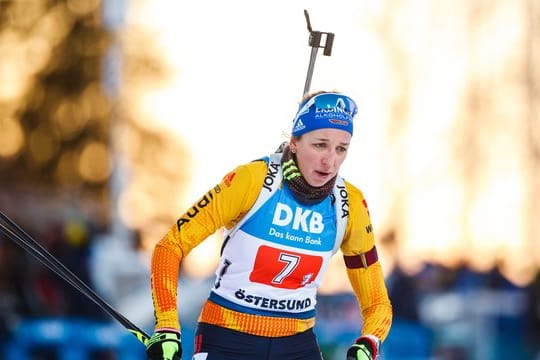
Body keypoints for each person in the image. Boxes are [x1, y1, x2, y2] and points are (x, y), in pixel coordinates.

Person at [145, 91, 393, 360]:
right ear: (294, 142)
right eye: (320, 145)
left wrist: (368, 343)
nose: (330, 160)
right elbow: (170, 246)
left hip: (296, 345)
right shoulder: (252, 181)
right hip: (228, 338)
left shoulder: (349, 204)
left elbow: (377, 303)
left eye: (341, 148)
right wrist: (167, 326)